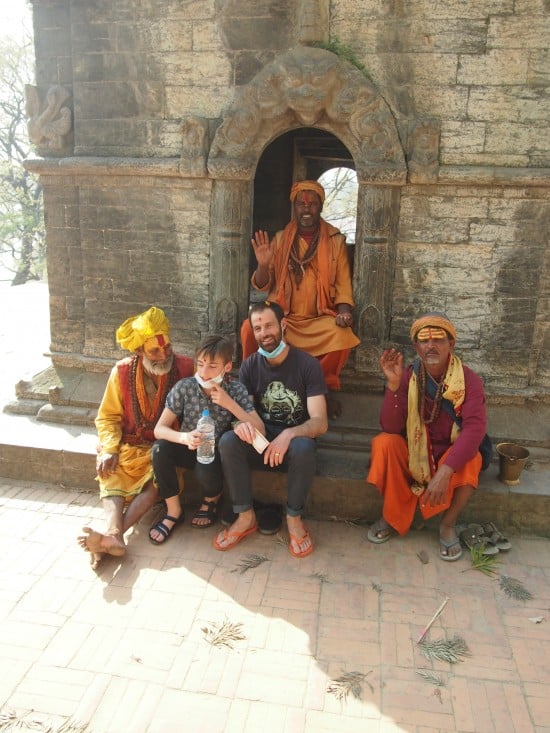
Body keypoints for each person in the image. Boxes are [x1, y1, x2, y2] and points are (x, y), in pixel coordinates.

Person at [77, 306, 194, 569]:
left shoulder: (186, 367)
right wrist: (109, 448)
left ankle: (111, 539)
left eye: (167, 348)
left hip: (164, 448)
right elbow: (107, 417)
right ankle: (113, 538)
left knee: (157, 481)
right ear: (139, 351)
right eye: (155, 351)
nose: (164, 355)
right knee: (111, 470)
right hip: (128, 445)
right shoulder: (121, 372)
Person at [366, 312, 488, 561]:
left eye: (438, 340)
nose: (431, 346)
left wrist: (446, 471)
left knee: (472, 458)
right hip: (414, 454)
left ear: (451, 344)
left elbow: (475, 429)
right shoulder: (408, 375)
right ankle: (393, 515)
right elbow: (389, 426)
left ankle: (448, 524)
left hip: (448, 458)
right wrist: (393, 386)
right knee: (384, 443)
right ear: (416, 346)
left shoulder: (469, 380)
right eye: (424, 340)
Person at [215, 301, 329, 557]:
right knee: (228, 441)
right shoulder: (250, 366)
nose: (263, 333)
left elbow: (320, 422)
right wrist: (240, 425)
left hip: (293, 448)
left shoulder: (307, 365)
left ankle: (294, 519)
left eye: (268, 326)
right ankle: (245, 516)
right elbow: (245, 413)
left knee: (303, 445)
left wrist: (288, 434)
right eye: (257, 328)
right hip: (261, 442)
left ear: (283, 325)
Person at [240, 180, 360, 417]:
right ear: (294, 207)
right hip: (284, 320)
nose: (307, 210)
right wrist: (263, 264)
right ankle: (251, 383)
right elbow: (264, 284)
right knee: (247, 329)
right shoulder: (282, 238)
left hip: (317, 320)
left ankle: (320, 387)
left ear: (321, 207)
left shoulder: (335, 241)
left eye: (313, 204)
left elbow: (343, 285)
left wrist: (344, 312)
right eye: (301, 205)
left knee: (342, 334)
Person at [149, 334, 265, 544]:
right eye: (200, 364)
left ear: (227, 367)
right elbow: (160, 429)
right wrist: (184, 437)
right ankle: (174, 510)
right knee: (159, 449)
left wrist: (229, 403)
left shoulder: (235, 390)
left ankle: (211, 499)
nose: (203, 372)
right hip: (188, 445)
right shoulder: (185, 387)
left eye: (212, 366)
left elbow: (260, 430)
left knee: (209, 460)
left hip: (214, 455)